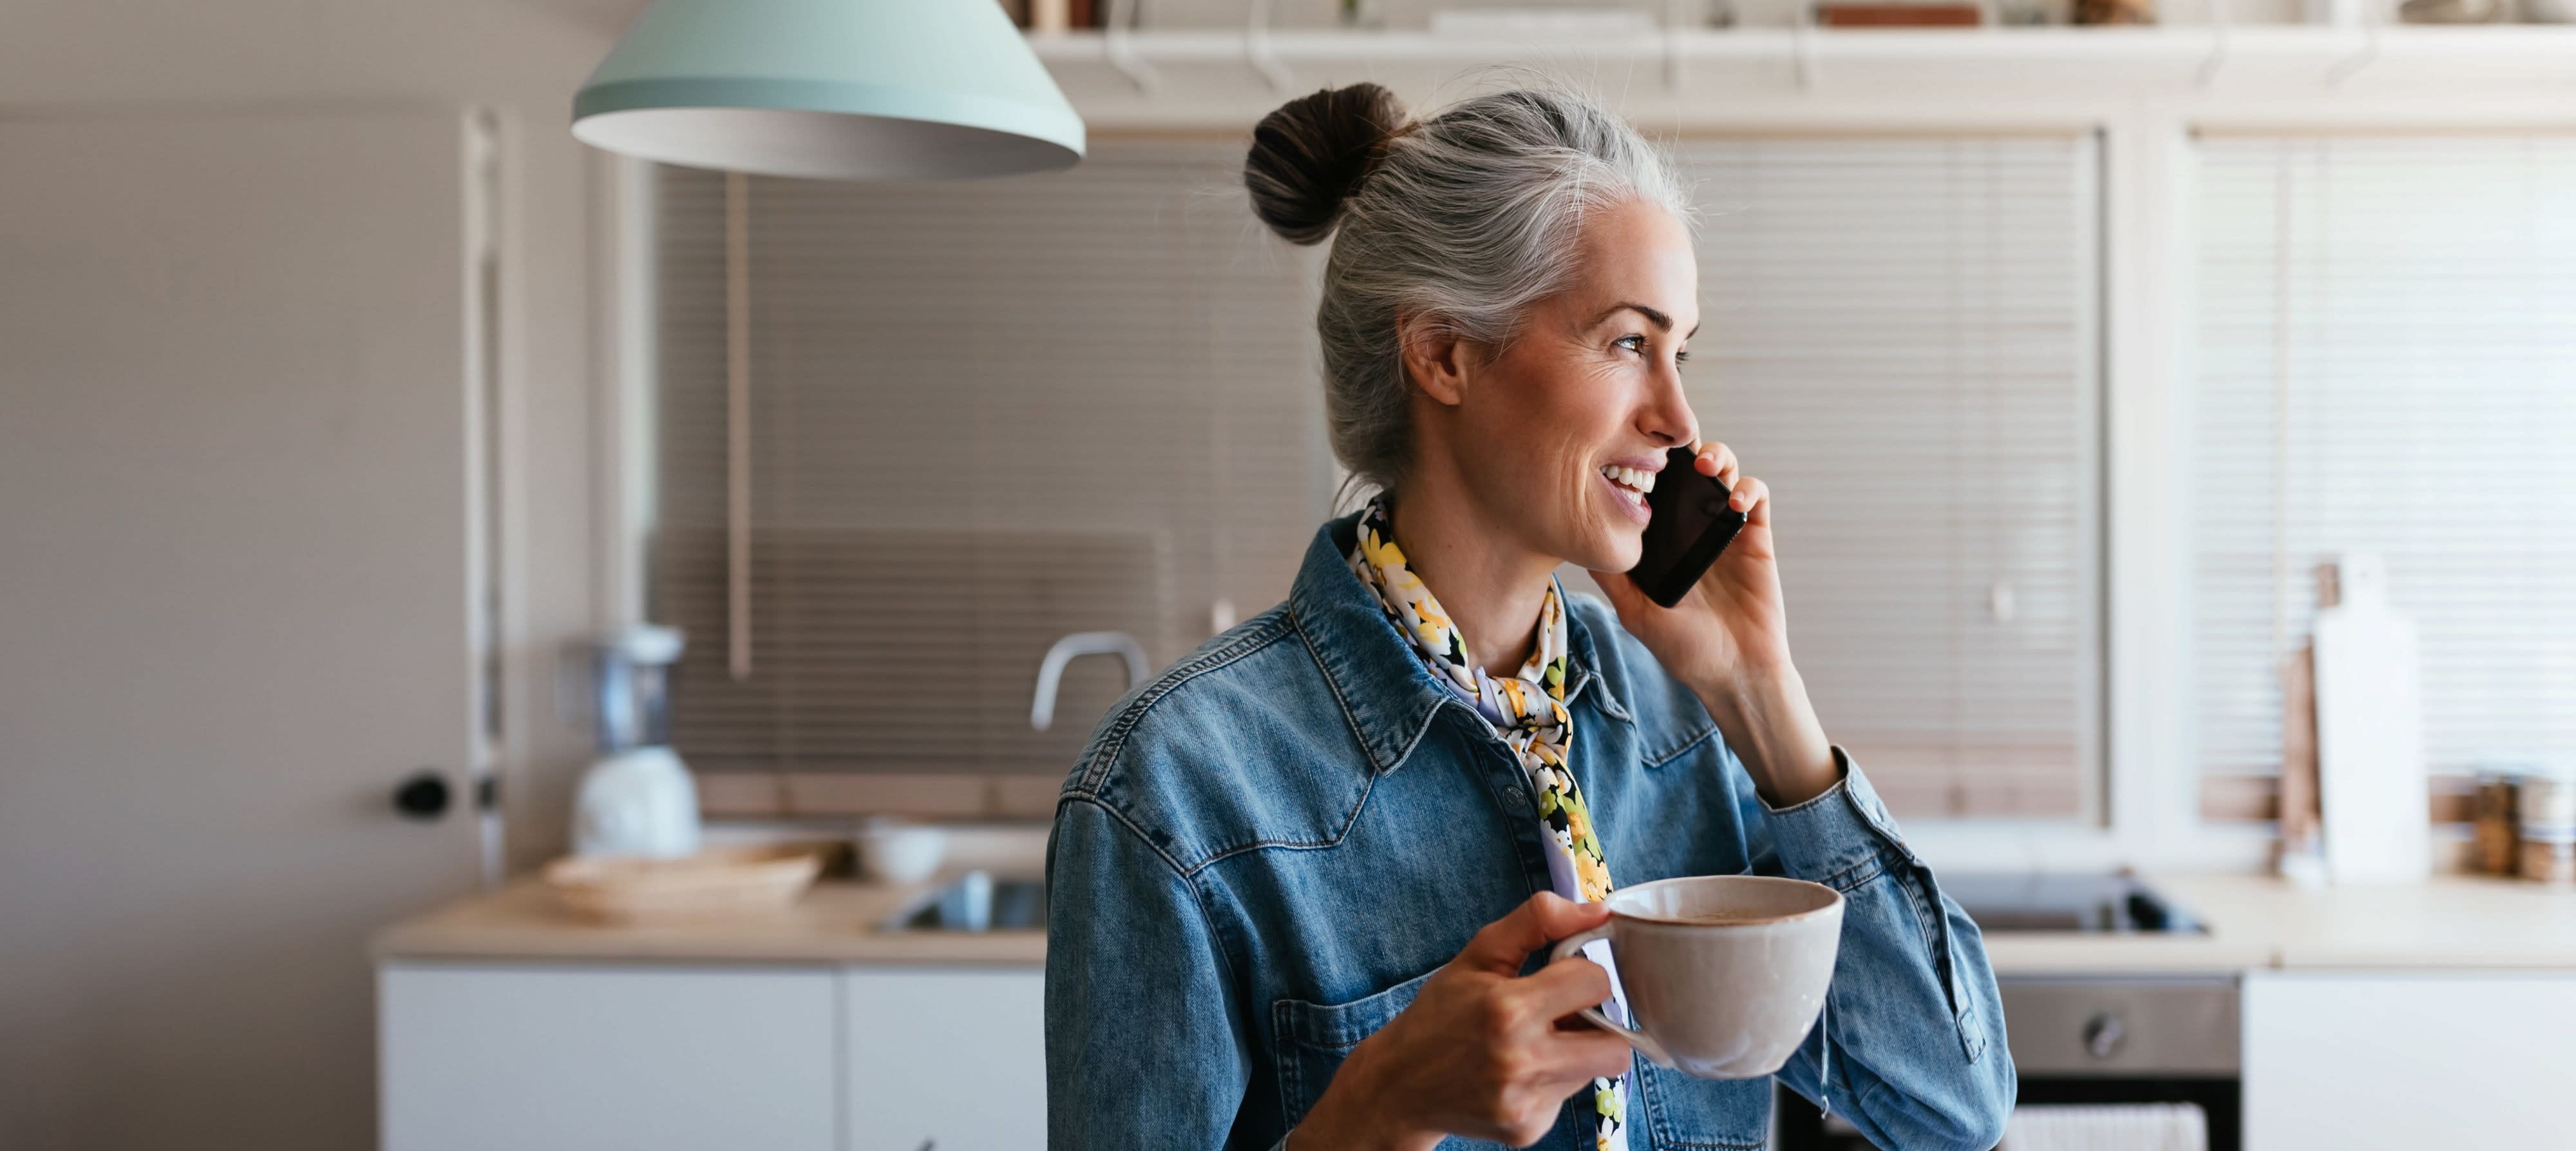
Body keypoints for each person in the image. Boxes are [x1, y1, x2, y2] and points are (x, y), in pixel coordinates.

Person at [1044, 77, 2015, 1151]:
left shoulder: (1691, 732)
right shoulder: (1174, 792)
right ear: (1445, 354)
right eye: (1626, 344)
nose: (1679, 419)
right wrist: (1380, 1110)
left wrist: (1758, 690)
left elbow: (1950, 1109)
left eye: (1679, 350)